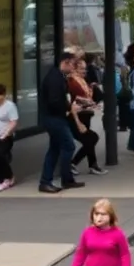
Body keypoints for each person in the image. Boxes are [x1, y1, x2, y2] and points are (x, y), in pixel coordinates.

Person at [38, 52, 85, 194]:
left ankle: (60, 179)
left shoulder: (58, 76)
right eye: (73, 64)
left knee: (55, 148)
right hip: (54, 118)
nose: (74, 68)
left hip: (54, 117)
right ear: (65, 62)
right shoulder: (55, 78)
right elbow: (54, 101)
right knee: (68, 146)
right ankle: (52, 180)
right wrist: (69, 108)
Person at [69, 57, 106, 176]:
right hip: (77, 116)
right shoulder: (72, 82)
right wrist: (89, 103)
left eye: (85, 69)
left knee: (89, 140)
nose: (84, 71)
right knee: (91, 138)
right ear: (74, 69)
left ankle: (92, 165)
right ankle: (74, 163)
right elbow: (76, 99)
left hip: (86, 114)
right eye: (81, 69)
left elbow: (88, 96)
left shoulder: (83, 80)